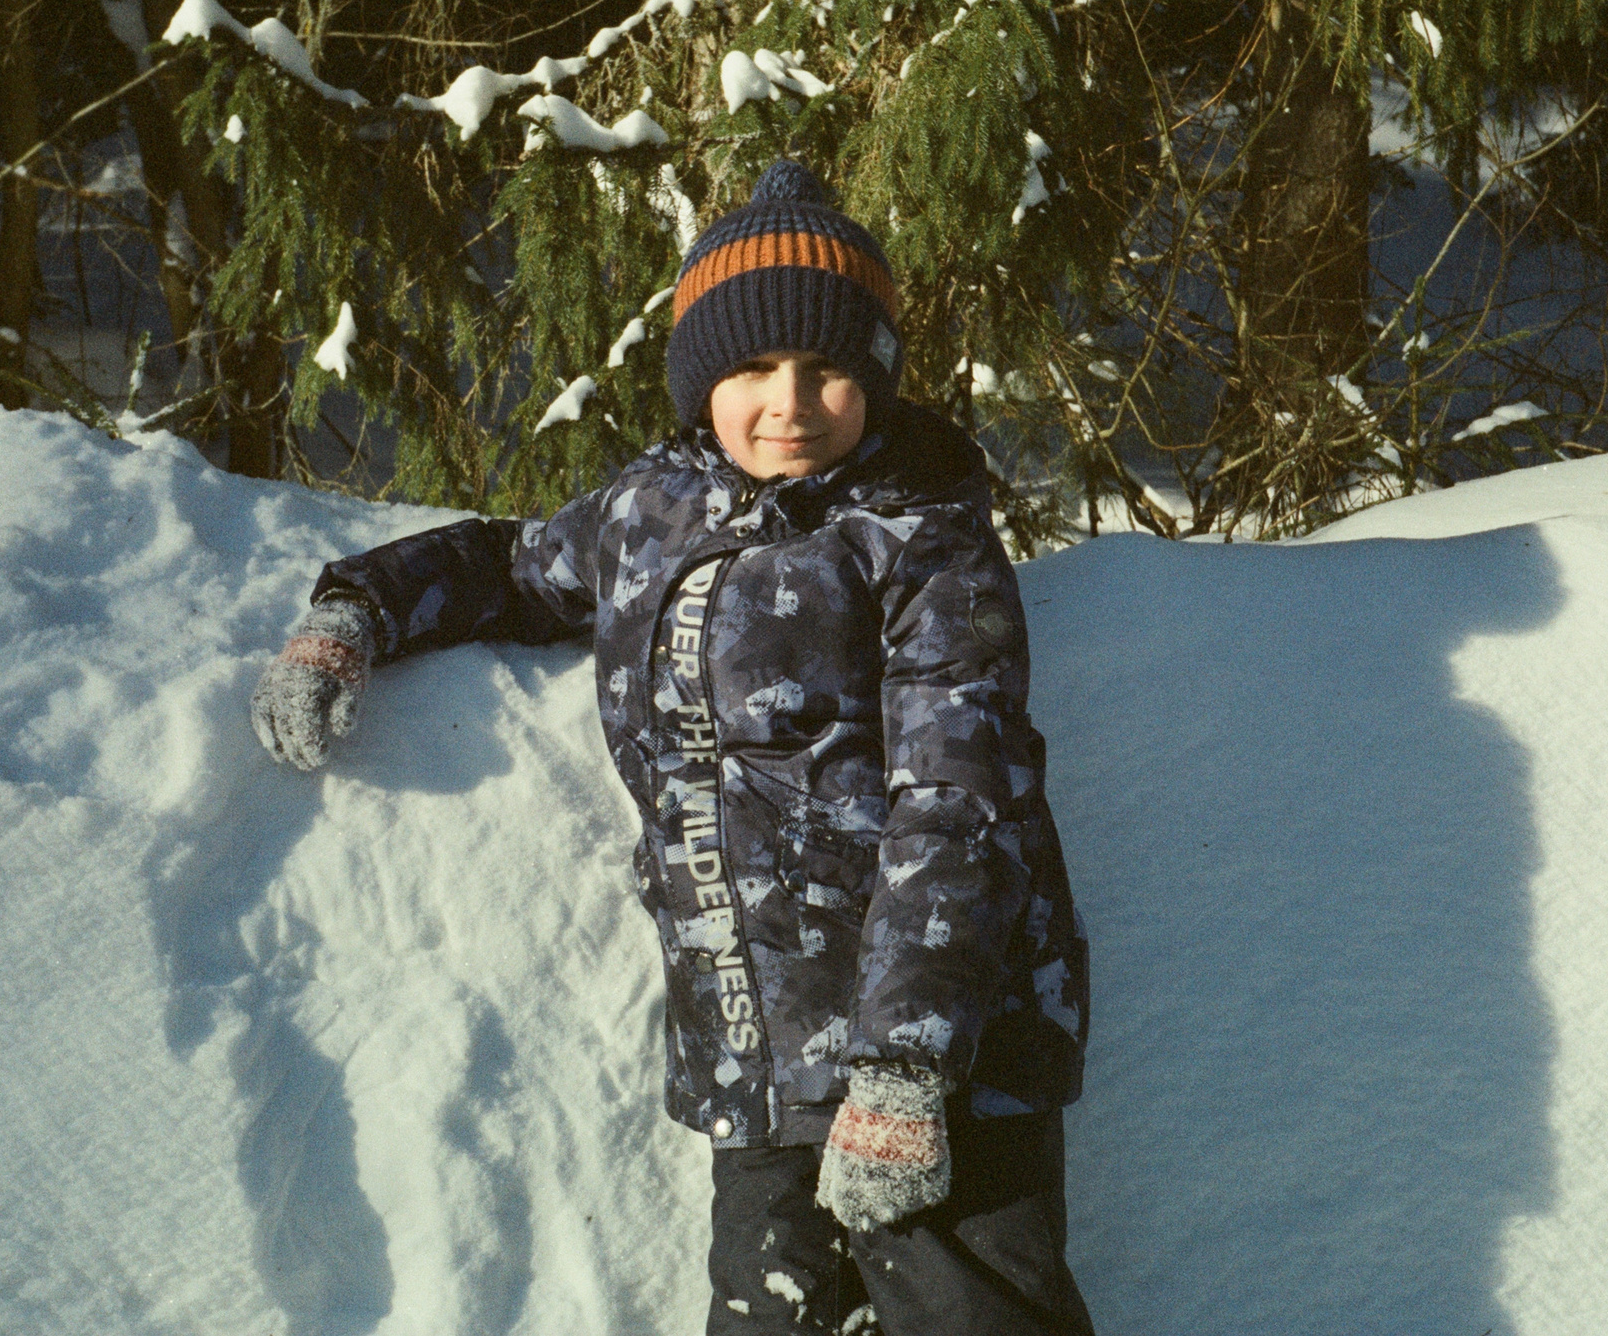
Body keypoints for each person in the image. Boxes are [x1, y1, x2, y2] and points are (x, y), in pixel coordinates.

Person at [251, 159, 1092, 1335]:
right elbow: (510, 565)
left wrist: (903, 1065)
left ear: (881, 379)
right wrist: (357, 613)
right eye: (751, 368)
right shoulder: (650, 512)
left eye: (828, 367)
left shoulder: (923, 543)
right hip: (757, 1052)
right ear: (701, 380)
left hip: (946, 1059)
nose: (789, 401)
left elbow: (960, 799)